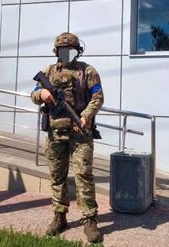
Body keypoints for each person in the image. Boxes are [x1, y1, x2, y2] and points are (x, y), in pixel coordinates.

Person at [30, 32, 104, 243]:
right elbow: (34, 93)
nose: (66, 53)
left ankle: (89, 219)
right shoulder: (48, 71)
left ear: (77, 51)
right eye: (63, 50)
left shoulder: (87, 71)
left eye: (70, 50)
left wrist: (86, 116)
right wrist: (42, 94)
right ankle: (59, 216)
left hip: (80, 133)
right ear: (57, 51)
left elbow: (98, 97)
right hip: (55, 132)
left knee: (83, 175)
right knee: (57, 176)